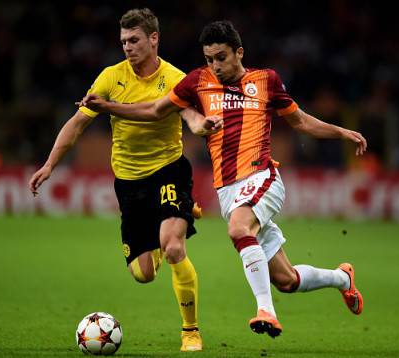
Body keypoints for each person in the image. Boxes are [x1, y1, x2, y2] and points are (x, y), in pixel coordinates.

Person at [79, 20, 367, 338]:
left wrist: (340, 132)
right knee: (286, 280)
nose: (215, 65)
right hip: (228, 191)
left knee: (238, 229)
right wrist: (107, 107)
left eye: (221, 57)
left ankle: (266, 311)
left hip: (261, 177)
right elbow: (153, 110)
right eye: (209, 59)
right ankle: (343, 278)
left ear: (238, 52)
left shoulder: (266, 80)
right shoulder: (197, 82)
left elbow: (300, 122)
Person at [29, 9, 222, 351]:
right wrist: (50, 164)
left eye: (134, 40)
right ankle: (179, 213)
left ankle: (190, 331)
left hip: (168, 170)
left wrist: (196, 123)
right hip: (129, 183)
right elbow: (77, 124)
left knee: (175, 247)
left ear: (153, 39)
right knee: (143, 274)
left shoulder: (174, 78)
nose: (127, 47)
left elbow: (188, 112)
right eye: (123, 42)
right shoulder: (110, 77)